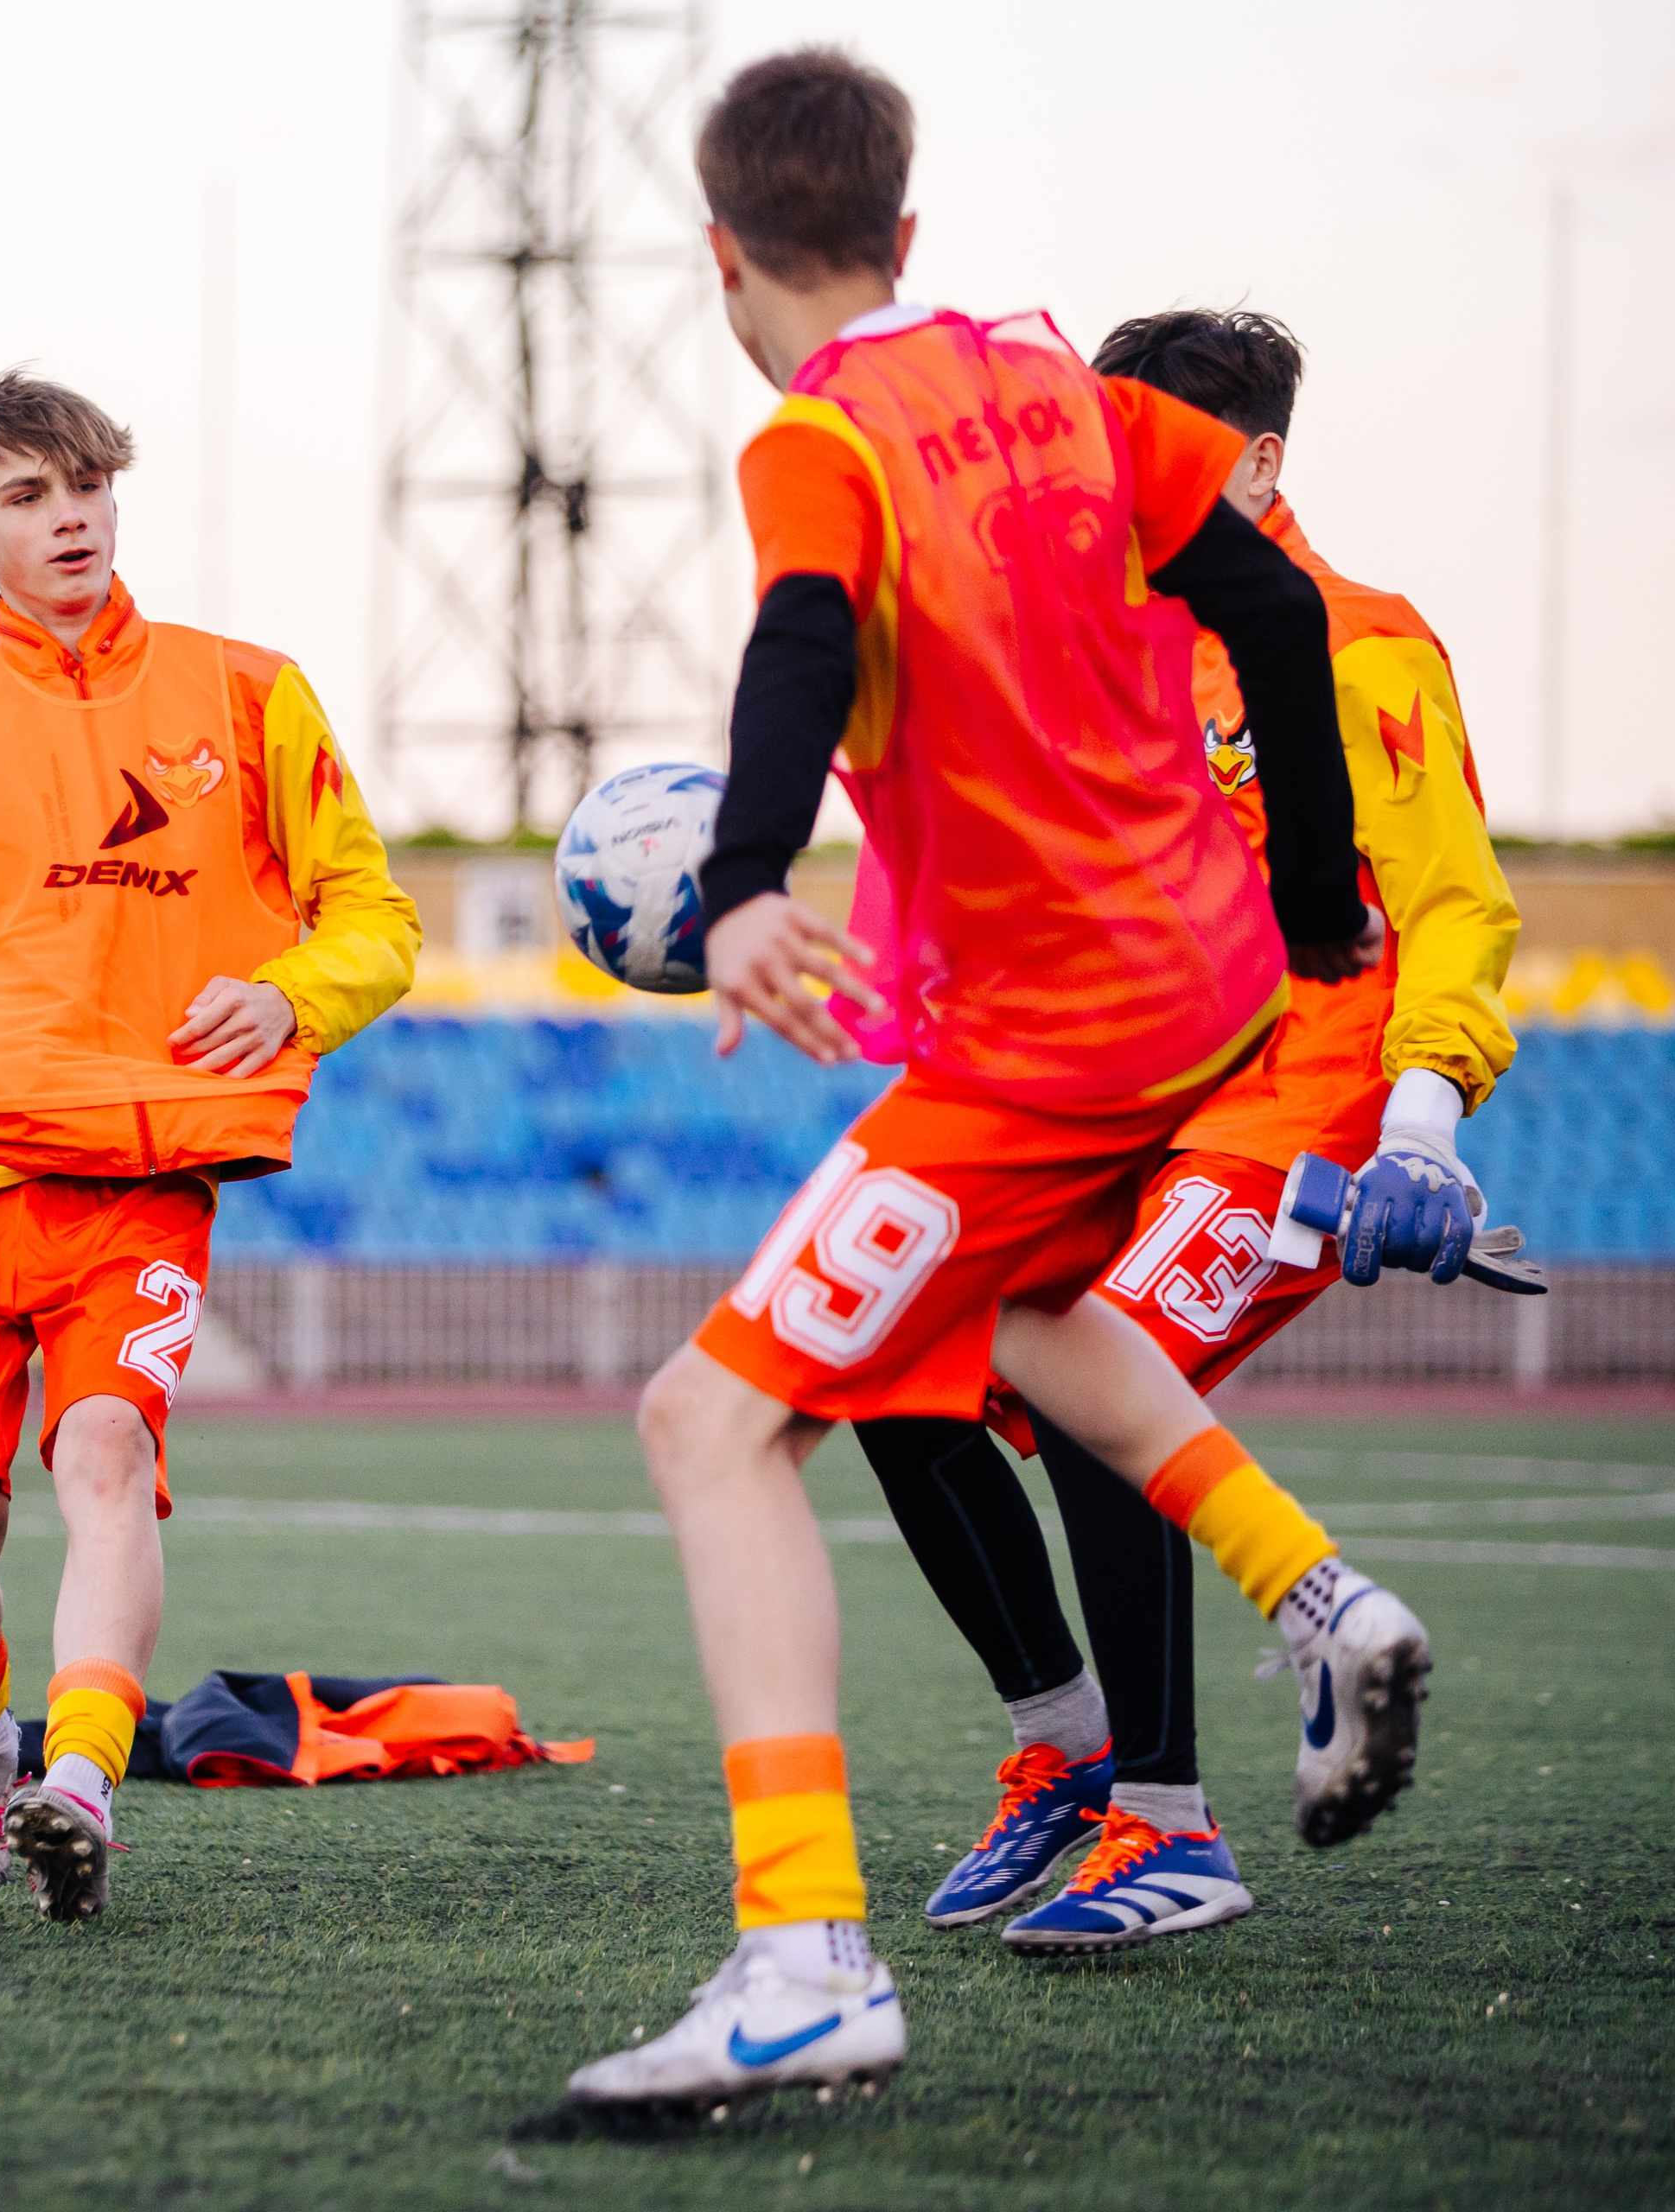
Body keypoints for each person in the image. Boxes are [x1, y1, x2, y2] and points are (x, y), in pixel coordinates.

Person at [567, 52, 1423, 2110]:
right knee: (1032, 1323)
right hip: (1212, 992)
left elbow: (793, 639)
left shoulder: (817, 434)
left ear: (720, 258)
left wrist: (754, 876)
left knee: (709, 1422)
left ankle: (800, 1958)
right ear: (907, 232)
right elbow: (1269, 608)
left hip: (1046, 1035)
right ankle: (1321, 1603)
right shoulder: (1068, 388)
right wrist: (1308, 897)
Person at [854, 310, 1519, 1953]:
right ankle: (1070, 1753)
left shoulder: (1361, 648)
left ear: (1264, 464)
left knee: (1102, 1369)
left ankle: (1171, 1829)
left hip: (1305, 1101)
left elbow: (1454, 908)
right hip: (1133, 1094)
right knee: (880, 1350)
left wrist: (1422, 1123)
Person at [0, 373, 419, 1922]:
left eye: (87, 487)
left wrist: (292, 993)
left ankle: (83, 1778)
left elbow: (375, 922)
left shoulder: (252, 694)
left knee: (109, 1454)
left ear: (118, 496)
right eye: (26, 498)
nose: (68, 519)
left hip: (143, 1184)